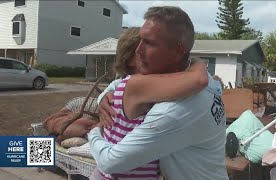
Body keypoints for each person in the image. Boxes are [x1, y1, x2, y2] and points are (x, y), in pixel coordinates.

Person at [89, 6, 228, 180]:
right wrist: (106, 94)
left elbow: (110, 163)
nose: (138, 50)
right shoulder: (198, 77)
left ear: (178, 51)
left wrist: (94, 132)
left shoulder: (173, 111)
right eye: (140, 40)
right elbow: (127, 83)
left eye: (149, 43)